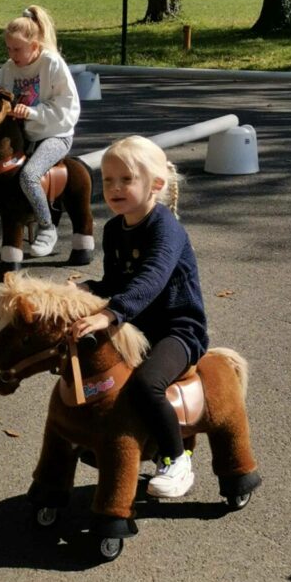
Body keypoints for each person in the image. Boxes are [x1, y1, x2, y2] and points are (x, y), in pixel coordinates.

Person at [69, 135, 209, 513]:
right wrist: (87, 290)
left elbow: (150, 279)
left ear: (156, 185)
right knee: (90, 364)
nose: (114, 188)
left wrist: (110, 313)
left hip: (176, 329)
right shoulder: (115, 229)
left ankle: (175, 461)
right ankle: (111, 439)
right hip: (136, 323)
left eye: (126, 179)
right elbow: (117, 282)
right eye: (108, 180)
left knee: (147, 383)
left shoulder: (166, 229)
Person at [0, 4, 80, 258]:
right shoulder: (10, 67)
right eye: (8, 48)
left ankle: (47, 226)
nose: (12, 54)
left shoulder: (52, 64)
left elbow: (67, 108)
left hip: (56, 134)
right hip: (25, 135)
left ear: (35, 45)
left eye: (17, 49)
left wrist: (31, 112)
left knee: (29, 175)